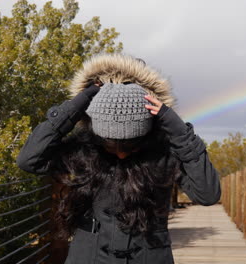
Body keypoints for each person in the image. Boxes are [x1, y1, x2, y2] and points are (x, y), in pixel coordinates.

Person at [16, 53, 221, 264]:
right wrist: (77, 105)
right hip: (89, 256)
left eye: (131, 145)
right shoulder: (83, 149)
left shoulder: (166, 151)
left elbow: (208, 194)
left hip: (149, 256)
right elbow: (29, 160)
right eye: (110, 145)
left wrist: (177, 128)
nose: (121, 153)